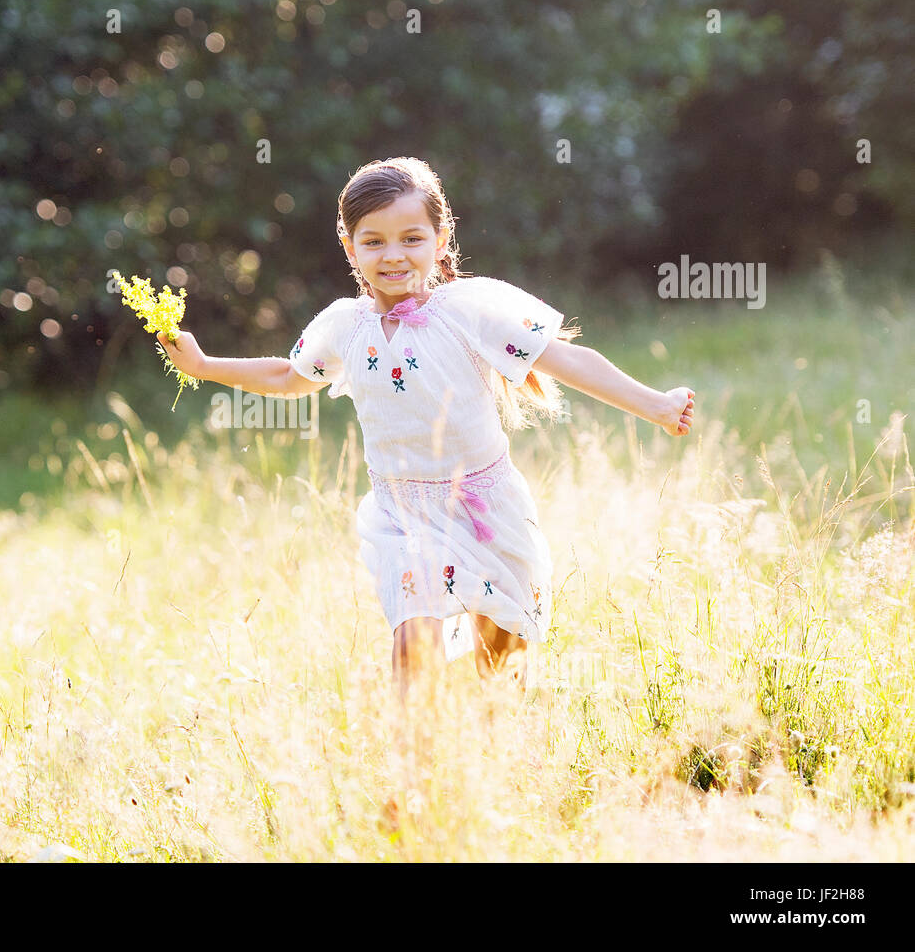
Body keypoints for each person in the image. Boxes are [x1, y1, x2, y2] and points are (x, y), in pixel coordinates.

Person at [156, 156, 694, 701]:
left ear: (441, 239)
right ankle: (413, 774)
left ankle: (493, 766)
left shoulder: (469, 311)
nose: (393, 255)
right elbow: (288, 375)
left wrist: (656, 405)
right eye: (374, 242)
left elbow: (567, 360)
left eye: (411, 238)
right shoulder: (344, 325)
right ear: (349, 246)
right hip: (402, 515)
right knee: (414, 642)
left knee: (501, 669)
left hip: (486, 508)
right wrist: (203, 366)